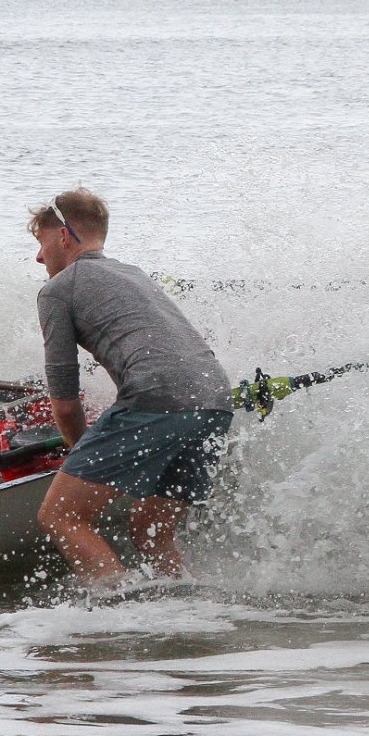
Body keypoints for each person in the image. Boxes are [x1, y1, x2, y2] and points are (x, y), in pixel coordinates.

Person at [30, 188, 234, 587]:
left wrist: (80, 459)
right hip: (215, 399)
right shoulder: (134, 274)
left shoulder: (59, 289)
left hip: (157, 398)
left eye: (40, 243)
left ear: (64, 236)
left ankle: (119, 617)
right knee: (151, 531)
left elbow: (66, 404)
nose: (39, 257)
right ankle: (188, 609)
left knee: (60, 515)